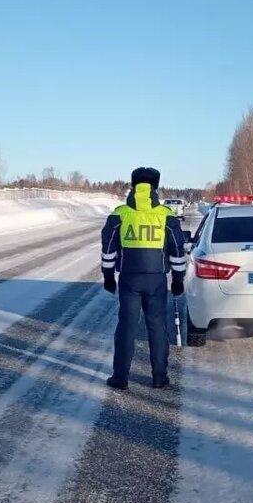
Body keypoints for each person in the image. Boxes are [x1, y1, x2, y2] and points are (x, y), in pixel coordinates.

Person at [100, 166, 186, 389]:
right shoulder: (166, 215)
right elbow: (177, 250)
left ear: (133, 186)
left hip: (129, 279)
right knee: (157, 327)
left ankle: (120, 378)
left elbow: (108, 249)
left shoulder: (120, 214)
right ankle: (160, 377)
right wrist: (178, 279)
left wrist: (108, 275)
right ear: (155, 187)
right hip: (157, 280)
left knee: (126, 327)